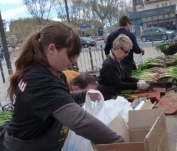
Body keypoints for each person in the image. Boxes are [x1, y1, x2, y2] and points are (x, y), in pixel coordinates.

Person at [3, 21, 124, 151]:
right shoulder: (39, 81)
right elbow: (80, 121)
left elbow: (56, 100)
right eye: (70, 55)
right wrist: (121, 144)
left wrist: (83, 95)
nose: (73, 61)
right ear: (51, 49)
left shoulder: (44, 71)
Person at [97, 34, 149, 100]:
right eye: (126, 52)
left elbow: (126, 78)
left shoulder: (118, 60)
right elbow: (119, 85)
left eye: (128, 52)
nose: (127, 54)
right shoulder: (109, 65)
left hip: (114, 94)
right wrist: (137, 85)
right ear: (118, 49)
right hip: (107, 97)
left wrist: (139, 80)